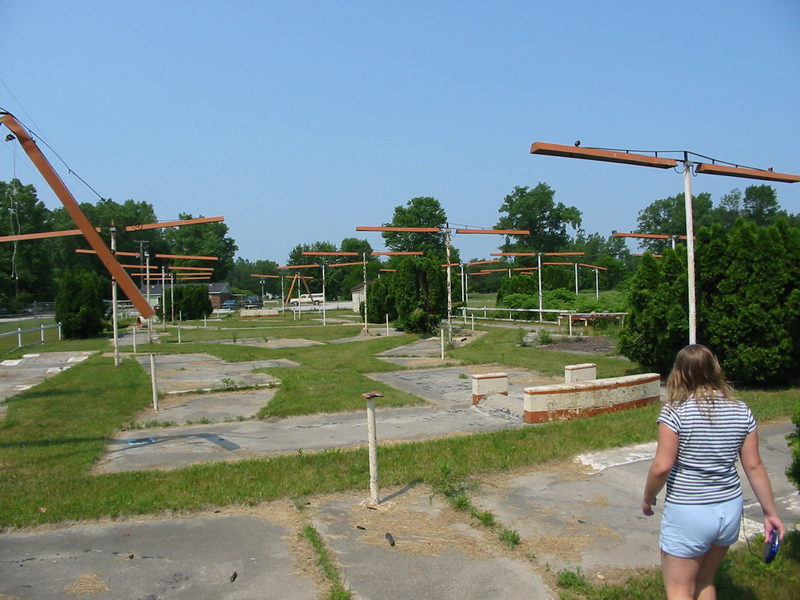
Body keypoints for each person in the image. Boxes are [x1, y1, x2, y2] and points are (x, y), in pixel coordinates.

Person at [642, 344, 785, 600]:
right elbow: (754, 466)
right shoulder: (741, 410)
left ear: (679, 373)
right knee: (705, 581)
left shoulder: (675, 412)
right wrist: (770, 513)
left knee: (679, 589)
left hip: (689, 512)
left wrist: (648, 496)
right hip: (728, 510)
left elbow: (662, 466)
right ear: (714, 370)